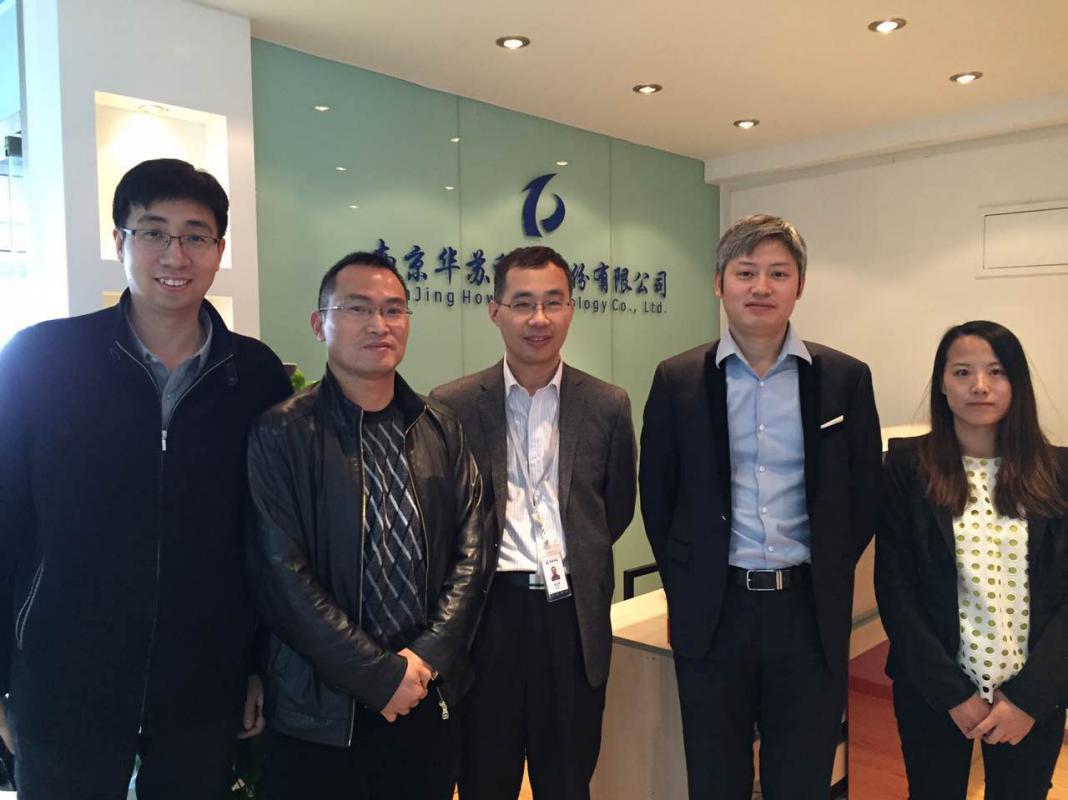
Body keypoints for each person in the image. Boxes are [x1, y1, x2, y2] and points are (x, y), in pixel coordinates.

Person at [0, 158, 292, 798]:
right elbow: (7, 522)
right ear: (119, 241)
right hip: (64, 672)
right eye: (153, 232)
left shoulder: (254, 375)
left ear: (219, 250)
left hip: (204, 680)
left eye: (195, 235)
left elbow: (268, 539)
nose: (175, 255)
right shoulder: (41, 360)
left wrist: (258, 665)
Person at [639, 214, 882, 799]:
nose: (761, 287)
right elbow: (658, 495)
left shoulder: (844, 378)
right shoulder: (678, 379)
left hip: (807, 611)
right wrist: (689, 583)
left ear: (800, 285)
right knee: (715, 776)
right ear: (718, 283)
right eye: (746, 272)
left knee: (801, 777)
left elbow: (864, 492)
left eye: (778, 273)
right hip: (715, 611)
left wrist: (827, 565)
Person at [246, 251, 489, 800]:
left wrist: (425, 659)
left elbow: (474, 550)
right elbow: (280, 577)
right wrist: (378, 676)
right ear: (320, 324)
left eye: (394, 309)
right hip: (322, 712)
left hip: (424, 695)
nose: (379, 324)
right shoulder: (281, 434)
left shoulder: (440, 426)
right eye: (357, 308)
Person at [431, 245, 637, 800]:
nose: (538, 318)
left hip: (570, 619)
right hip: (485, 616)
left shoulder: (607, 404)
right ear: (495, 311)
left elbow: (614, 510)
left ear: (571, 309)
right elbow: (444, 515)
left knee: (567, 779)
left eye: (553, 302)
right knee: (484, 778)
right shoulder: (452, 405)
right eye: (523, 303)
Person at [876, 320, 1068, 799]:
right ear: (942, 383)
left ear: (1016, 382)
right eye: (962, 372)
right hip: (935, 689)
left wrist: (1029, 698)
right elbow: (896, 589)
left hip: (1032, 693)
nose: (979, 385)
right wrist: (953, 695)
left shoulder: (1059, 471)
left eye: (996, 371)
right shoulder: (907, 467)